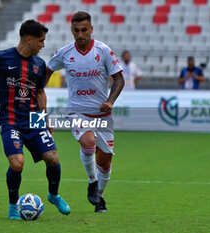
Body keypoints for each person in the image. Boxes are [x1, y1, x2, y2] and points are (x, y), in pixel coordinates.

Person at [0, 19, 70, 220]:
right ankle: (12, 206)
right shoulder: (2, 57)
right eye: (41, 41)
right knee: (17, 164)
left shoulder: (39, 65)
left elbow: (40, 92)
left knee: (52, 158)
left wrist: (45, 119)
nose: (43, 45)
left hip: (34, 119)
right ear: (29, 39)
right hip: (10, 120)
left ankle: (53, 195)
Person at [46, 11, 125, 213]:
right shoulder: (65, 53)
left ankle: (99, 197)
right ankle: (92, 182)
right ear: (71, 30)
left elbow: (119, 79)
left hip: (102, 115)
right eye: (76, 30)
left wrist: (110, 101)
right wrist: (38, 92)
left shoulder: (103, 50)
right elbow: (46, 71)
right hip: (77, 112)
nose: (80, 34)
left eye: (84, 30)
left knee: (105, 162)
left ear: (91, 29)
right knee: (88, 142)